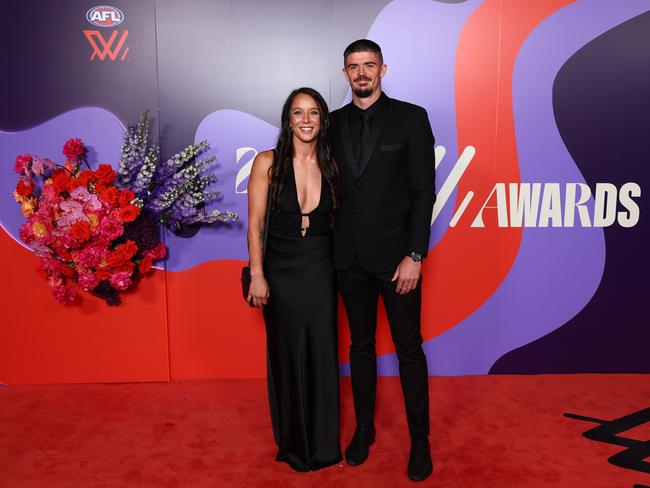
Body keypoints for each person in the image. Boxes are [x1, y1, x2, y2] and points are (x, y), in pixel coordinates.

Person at [331, 39, 436, 481]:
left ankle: (420, 442)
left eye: (369, 65)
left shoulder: (412, 118)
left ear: (383, 69)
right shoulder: (330, 124)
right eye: (353, 67)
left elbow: (422, 192)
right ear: (345, 74)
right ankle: (364, 430)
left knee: (409, 350)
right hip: (347, 259)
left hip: (397, 262)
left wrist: (415, 255)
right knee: (360, 347)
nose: (361, 73)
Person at [246, 87, 342, 472]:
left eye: (313, 113)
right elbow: (254, 226)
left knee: (322, 354)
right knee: (286, 356)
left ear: (322, 120)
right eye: (298, 113)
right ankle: (292, 444)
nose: (306, 120)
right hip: (279, 271)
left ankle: (323, 445)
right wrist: (257, 274)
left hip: (320, 268)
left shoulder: (332, 164)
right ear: (288, 119)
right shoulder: (267, 163)